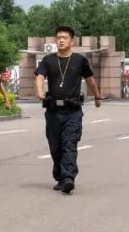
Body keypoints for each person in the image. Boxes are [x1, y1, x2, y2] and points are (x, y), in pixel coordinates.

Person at [35, 26, 101, 194]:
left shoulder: (80, 60)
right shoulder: (48, 60)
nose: (61, 40)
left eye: (64, 37)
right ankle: (60, 177)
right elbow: (40, 76)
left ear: (72, 41)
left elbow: (90, 80)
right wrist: (39, 90)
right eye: (58, 37)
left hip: (73, 111)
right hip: (53, 112)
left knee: (69, 144)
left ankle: (68, 178)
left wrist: (97, 97)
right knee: (55, 147)